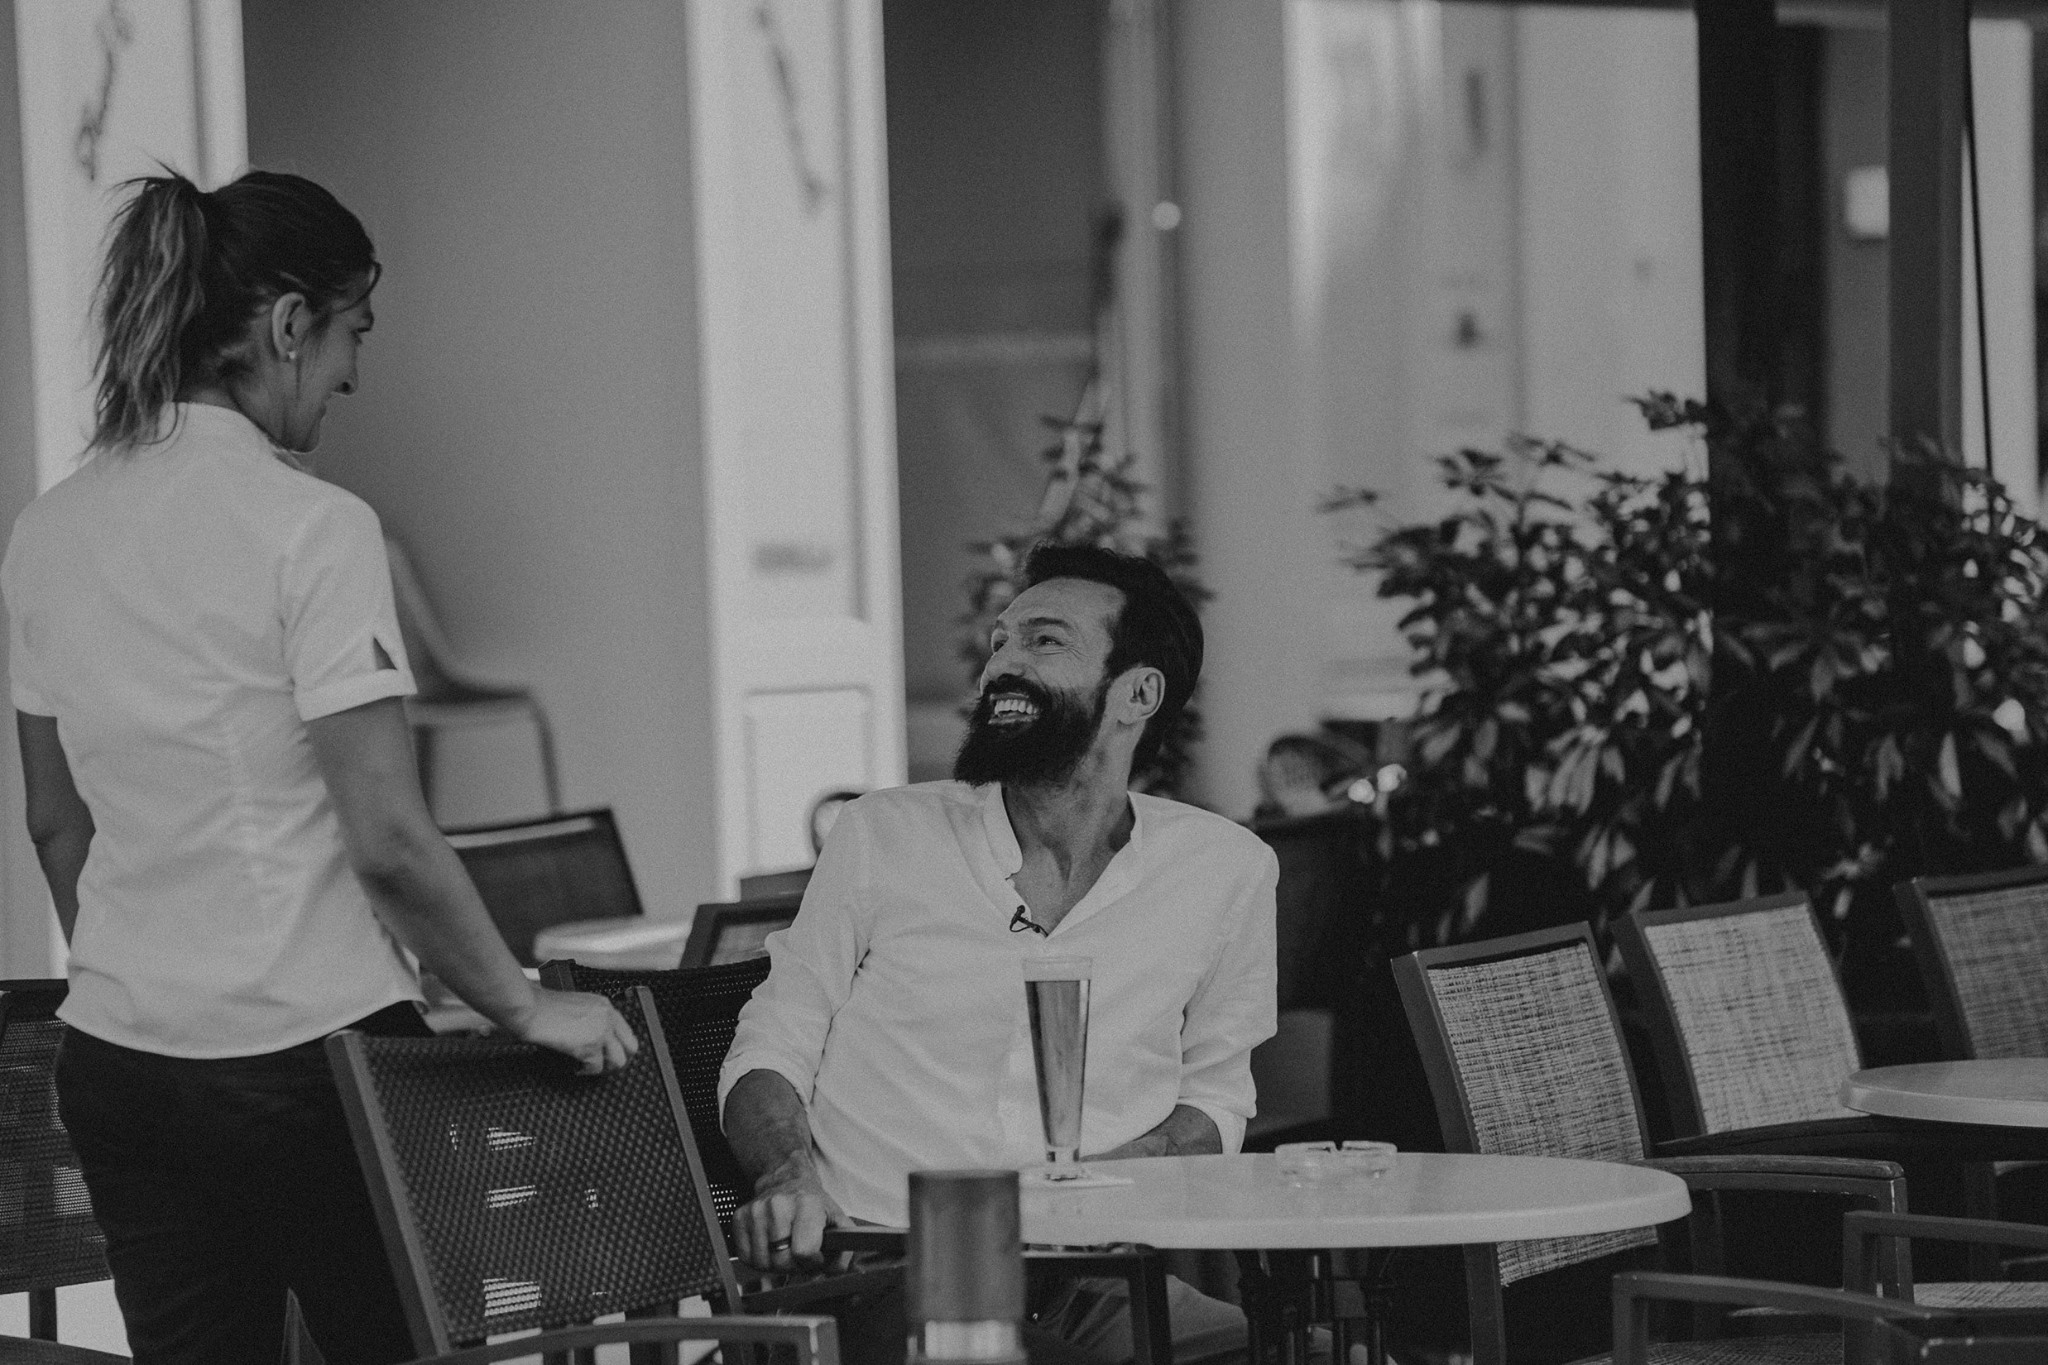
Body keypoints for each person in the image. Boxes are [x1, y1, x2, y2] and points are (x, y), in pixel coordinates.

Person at [1, 169, 637, 1365]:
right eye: (355, 332)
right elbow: (387, 837)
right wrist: (524, 1005)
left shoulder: (48, 531)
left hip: (122, 1061)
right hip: (310, 1068)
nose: (352, 373)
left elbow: (54, 823)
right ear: (289, 324)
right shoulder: (316, 528)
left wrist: (152, 984)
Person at [720, 542, 1278, 1365]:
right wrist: (785, 1174)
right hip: (886, 1271)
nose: (1002, 667)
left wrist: (1080, 1194)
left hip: (1090, 1274)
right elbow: (773, 1043)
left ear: (1138, 693)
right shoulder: (884, 835)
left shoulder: (1225, 869)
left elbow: (1217, 1095)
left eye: (1044, 641)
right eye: (1000, 643)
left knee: (1302, 1350)